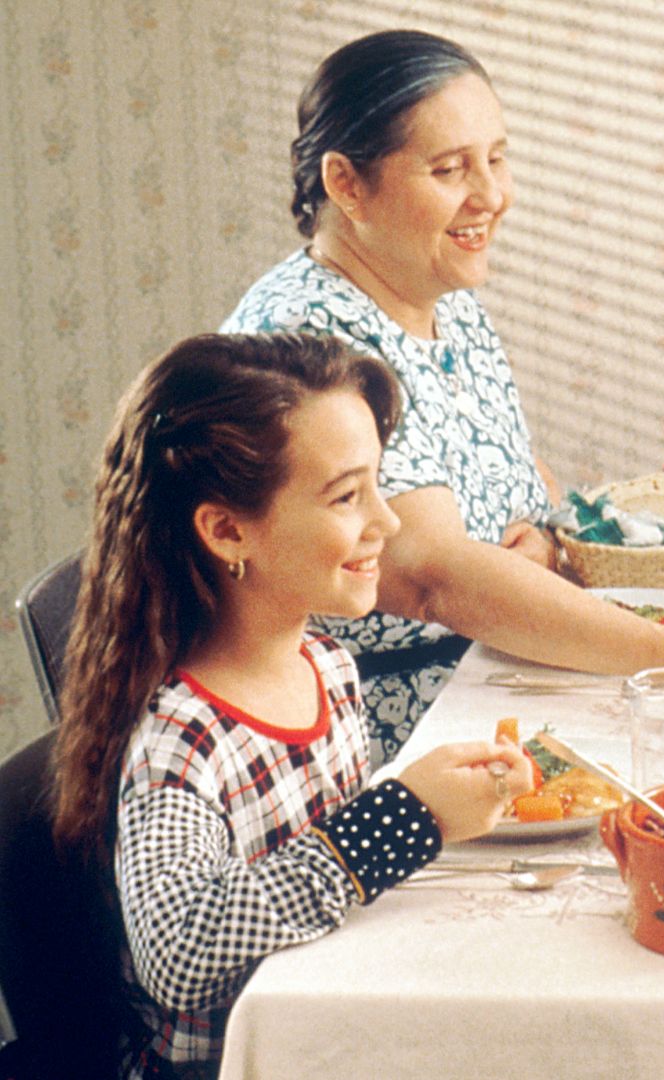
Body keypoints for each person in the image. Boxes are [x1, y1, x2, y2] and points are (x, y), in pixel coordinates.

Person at [222, 30, 664, 762]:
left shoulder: (440, 294)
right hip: (374, 734)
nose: (492, 196)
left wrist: (549, 539)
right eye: (449, 170)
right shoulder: (310, 341)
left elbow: (518, 485)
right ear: (346, 184)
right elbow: (434, 577)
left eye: (497, 159)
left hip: (491, 678)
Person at [49, 334, 539, 1079]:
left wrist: (442, 807)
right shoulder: (184, 737)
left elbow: (321, 880)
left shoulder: (327, 666)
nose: (389, 522)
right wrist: (403, 819)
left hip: (336, 1033)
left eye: (379, 484)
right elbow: (179, 952)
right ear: (226, 530)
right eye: (347, 496)